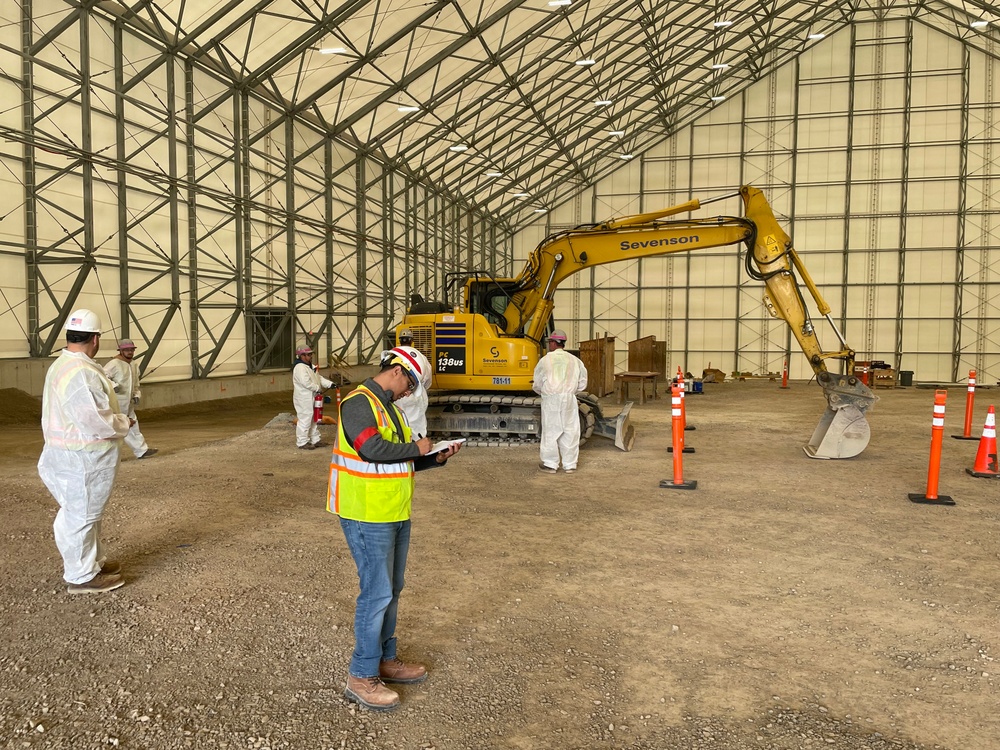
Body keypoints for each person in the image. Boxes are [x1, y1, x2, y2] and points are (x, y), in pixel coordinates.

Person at [327, 347, 462, 711]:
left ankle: (384, 660)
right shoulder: (359, 402)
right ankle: (361, 675)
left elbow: (398, 461)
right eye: (411, 384)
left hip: (392, 510)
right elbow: (370, 448)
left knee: (392, 589)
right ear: (398, 370)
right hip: (366, 512)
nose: (409, 392)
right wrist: (415, 446)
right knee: (376, 593)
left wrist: (432, 459)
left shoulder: (391, 409)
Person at [37, 309, 132, 594]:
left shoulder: (65, 364)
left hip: (70, 453)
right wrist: (124, 422)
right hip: (82, 458)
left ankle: (93, 562)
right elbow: (95, 420)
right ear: (95, 339)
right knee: (80, 515)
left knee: (88, 513)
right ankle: (81, 576)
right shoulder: (81, 372)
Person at [532, 329, 588, 474]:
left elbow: (537, 383)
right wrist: (570, 392)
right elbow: (582, 383)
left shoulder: (545, 360)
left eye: (549, 342)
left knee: (551, 431)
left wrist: (546, 393)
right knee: (570, 430)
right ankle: (570, 465)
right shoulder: (575, 360)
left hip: (551, 399)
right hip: (569, 398)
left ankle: (551, 464)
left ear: (553, 342)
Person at [103, 338, 157, 460]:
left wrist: (137, 395)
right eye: (127, 350)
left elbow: (136, 384)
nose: (130, 352)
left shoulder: (133, 365)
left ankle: (141, 451)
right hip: (115, 403)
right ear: (121, 351)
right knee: (113, 428)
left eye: (131, 350)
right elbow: (103, 376)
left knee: (133, 426)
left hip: (128, 404)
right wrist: (113, 386)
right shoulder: (113, 364)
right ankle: (107, 454)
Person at [293, 345, 334, 450]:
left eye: (311, 354)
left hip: (312, 396)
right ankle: (302, 442)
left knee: (313, 418)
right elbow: (305, 382)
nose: (311, 356)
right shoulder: (300, 368)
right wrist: (317, 388)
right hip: (304, 398)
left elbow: (318, 378)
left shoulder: (310, 367)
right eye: (309, 354)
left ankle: (315, 439)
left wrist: (330, 384)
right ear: (302, 355)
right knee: (305, 419)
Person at [391, 345, 432, 439]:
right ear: (396, 371)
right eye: (409, 384)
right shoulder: (421, 359)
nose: (408, 393)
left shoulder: (417, 359)